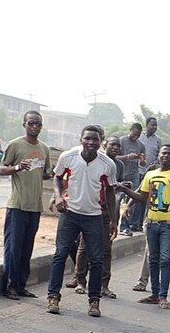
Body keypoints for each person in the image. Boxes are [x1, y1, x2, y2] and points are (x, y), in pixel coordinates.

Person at [45, 126, 117, 317]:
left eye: (95, 139)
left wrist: (112, 219)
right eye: (88, 139)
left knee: (96, 259)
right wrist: (58, 196)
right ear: (81, 139)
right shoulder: (68, 157)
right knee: (60, 254)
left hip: (94, 216)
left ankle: (94, 301)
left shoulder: (107, 164)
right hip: (70, 213)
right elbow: (57, 177)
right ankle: (53, 296)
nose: (91, 143)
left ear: (101, 141)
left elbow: (110, 191)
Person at [116, 144, 170, 309]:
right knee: (153, 260)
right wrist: (126, 193)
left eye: (169, 154)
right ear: (159, 156)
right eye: (163, 153)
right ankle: (155, 294)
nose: (166, 156)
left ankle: (163, 295)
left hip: (168, 225)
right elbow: (142, 196)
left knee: (165, 259)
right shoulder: (150, 174)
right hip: (151, 223)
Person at [0, 111, 54, 299]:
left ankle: (21, 285)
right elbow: (1, 169)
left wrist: (50, 175)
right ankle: (10, 286)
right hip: (17, 205)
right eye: (31, 123)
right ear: (24, 124)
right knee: (13, 247)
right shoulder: (15, 145)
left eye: (38, 123)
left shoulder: (44, 148)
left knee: (27, 247)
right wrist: (17, 167)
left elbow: (45, 173)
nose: (35, 126)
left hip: (35, 206)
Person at [71, 135, 123, 298]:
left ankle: (104, 285)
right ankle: (80, 280)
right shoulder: (94, 160)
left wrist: (114, 219)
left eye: (118, 146)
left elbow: (112, 189)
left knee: (106, 250)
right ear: (104, 145)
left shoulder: (117, 165)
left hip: (107, 212)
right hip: (90, 210)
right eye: (112, 144)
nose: (115, 148)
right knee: (84, 247)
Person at [117, 123, 146, 235]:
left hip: (134, 175)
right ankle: (115, 224)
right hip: (122, 174)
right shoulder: (121, 141)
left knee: (132, 201)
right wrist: (128, 157)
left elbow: (143, 164)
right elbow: (114, 157)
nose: (135, 137)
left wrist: (142, 159)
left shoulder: (141, 145)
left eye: (137, 136)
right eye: (134, 135)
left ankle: (126, 225)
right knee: (118, 200)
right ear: (130, 130)